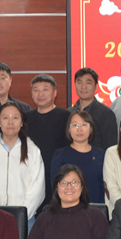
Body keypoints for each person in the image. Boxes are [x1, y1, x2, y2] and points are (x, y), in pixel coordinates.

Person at [0, 101, 45, 226]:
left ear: (21, 122)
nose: (10, 122)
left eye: (15, 118)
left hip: (24, 220)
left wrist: (21, 215)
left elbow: (37, 188)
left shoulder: (32, 150)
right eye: (5, 118)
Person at [27, 74, 72, 204]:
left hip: (58, 175)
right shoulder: (26, 118)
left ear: (55, 93)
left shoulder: (66, 116)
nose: (40, 94)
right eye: (36, 90)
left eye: (45, 89)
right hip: (32, 176)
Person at [52, 110, 106, 205]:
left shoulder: (102, 155)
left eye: (84, 125)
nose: (79, 129)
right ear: (69, 129)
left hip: (96, 208)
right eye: (75, 125)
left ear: (91, 129)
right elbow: (56, 186)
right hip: (68, 208)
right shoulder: (60, 155)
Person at [70, 67, 119, 150]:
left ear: (96, 86)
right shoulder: (69, 113)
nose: (83, 87)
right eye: (79, 82)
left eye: (88, 83)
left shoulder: (106, 114)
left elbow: (111, 147)